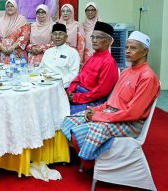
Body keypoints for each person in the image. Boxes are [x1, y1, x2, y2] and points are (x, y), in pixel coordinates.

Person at [61, 31, 160, 169]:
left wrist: (100, 116)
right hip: (112, 113)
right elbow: (110, 102)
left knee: (87, 129)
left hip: (130, 122)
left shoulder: (147, 77)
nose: (128, 51)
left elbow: (133, 113)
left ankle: (91, 163)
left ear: (145, 51)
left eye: (133, 48)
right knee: (70, 119)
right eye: (126, 47)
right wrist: (94, 110)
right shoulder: (126, 71)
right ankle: (91, 156)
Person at [67, 21, 119, 114]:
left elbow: (101, 92)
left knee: (63, 112)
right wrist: (70, 90)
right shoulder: (93, 57)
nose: (94, 40)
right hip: (79, 95)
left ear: (109, 41)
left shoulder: (109, 62)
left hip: (93, 101)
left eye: (98, 37)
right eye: (93, 37)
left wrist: (76, 98)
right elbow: (79, 77)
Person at [39, 23, 80, 88]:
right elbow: (41, 69)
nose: (57, 36)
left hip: (62, 87)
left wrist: (58, 85)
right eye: (55, 34)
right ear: (51, 37)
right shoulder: (47, 52)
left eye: (60, 34)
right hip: (44, 85)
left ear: (66, 37)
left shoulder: (72, 53)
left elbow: (73, 74)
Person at [0, 0, 30, 64]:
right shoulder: (1, 20)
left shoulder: (22, 19)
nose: (9, 8)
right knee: (3, 72)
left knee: (18, 72)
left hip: (18, 54)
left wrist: (12, 47)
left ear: (16, 7)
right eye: (7, 6)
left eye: (12, 6)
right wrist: (2, 48)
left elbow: (25, 36)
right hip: (4, 53)